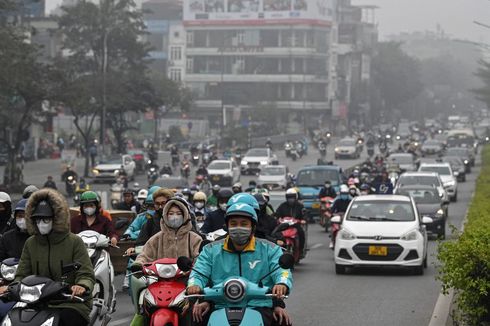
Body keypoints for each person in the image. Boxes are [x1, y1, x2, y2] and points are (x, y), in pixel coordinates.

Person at [1, 189, 95, 326]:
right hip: (36, 301)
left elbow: (86, 273)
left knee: (68, 320)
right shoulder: (31, 243)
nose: (41, 223)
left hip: (70, 302)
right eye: (37, 219)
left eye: (46, 219)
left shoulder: (74, 242)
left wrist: (81, 286)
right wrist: (11, 288)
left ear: (57, 218)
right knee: (13, 319)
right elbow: (21, 274)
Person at [188, 203, 292, 326]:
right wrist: (194, 285)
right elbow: (198, 271)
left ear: (253, 226)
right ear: (227, 226)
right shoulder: (210, 250)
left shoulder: (270, 249)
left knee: (283, 321)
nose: (238, 228)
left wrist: (281, 283)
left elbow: (282, 270)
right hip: (219, 304)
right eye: (233, 224)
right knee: (195, 319)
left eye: (244, 224)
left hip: (259, 305)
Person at [130, 197, 202, 324]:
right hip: (158, 283)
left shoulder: (194, 238)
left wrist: (192, 268)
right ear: (165, 215)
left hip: (186, 284)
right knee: (143, 310)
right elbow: (144, 255)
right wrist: (138, 264)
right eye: (171, 213)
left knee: (194, 313)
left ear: (185, 216)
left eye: (179, 214)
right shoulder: (156, 238)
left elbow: (201, 259)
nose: (175, 217)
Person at [275, 188, 306, 256]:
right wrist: (277, 218)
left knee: (301, 234)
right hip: (284, 226)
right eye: (289, 197)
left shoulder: (300, 206)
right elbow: (277, 214)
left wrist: (303, 220)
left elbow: (304, 214)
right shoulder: (282, 205)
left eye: (292, 197)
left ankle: (301, 250)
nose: (290, 199)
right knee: (276, 234)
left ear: (296, 197)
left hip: (295, 225)